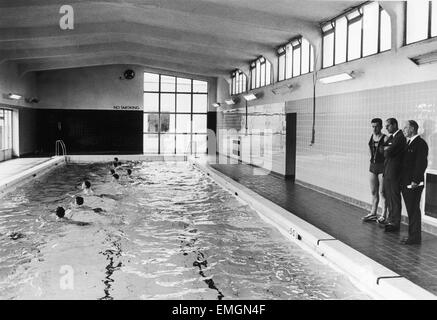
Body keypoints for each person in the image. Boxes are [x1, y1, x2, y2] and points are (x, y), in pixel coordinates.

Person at [400, 120, 429, 245]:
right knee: (411, 210)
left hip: (413, 183)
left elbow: (421, 163)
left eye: (405, 128)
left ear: (412, 128)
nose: (403, 130)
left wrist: (415, 181)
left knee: (413, 210)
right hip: (406, 182)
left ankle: (415, 237)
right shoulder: (409, 143)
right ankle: (413, 236)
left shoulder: (420, 143)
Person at [383, 118, 407, 232]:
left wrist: (386, 149)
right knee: (389, 196)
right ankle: (390, 219)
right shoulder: (392, 137)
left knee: (394, 197)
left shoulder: (400, 137)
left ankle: (395, 223)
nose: (386, 128)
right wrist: (386, 149)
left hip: (395, 172)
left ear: (395, 125)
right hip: (388, 170)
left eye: (388, 125)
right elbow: (382, 151)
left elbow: (387, 152)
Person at [363, 118, 388, 223]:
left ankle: (383, 215)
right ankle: (373, 213)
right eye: (372, 126)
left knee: (382, 192)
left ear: (381, 126)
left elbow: (388, 155)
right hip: (372, 167)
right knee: (373, 191)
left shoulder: (385, 138)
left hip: (382, 167)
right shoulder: (372, 137)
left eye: (376, 126)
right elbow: (370, 150)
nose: (374, 128)